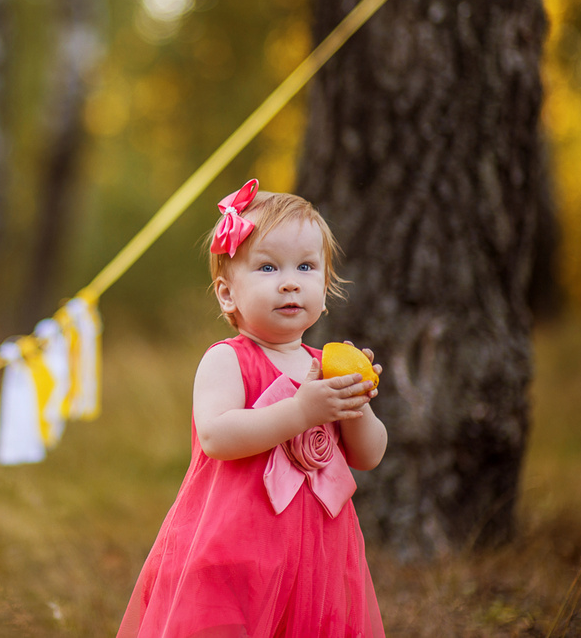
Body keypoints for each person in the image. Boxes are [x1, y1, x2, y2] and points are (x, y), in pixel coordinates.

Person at [117, 179, 387, 637]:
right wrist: (302, 412)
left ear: (323, 289)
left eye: (305, 267)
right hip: (238, 547)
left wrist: (355, 404)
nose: (288, 282)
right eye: (266, 268)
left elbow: (369, 455)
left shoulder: (327, 365)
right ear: (227, 294)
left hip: (318, 556)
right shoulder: (228, 359)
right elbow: (217, 436)